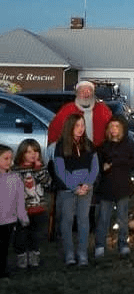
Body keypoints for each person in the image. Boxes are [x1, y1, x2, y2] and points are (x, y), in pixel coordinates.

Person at [52, 114, 99, 267]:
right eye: (77, 125)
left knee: (83, 220)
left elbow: (95, 167)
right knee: (67, 220)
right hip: (68, 189)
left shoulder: (89, 145)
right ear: (70, 127)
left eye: (82, 125)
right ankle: (69, 254)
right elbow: (60, 170)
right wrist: (74, 187)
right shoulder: (61, 146)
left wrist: (88, 184)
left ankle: (82, 253)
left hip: (86, 189)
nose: (80, 129)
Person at [95, 116, 134, 259]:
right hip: (106, 187)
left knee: (122, 218)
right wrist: (103, 167)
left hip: (122, 186)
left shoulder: (129, 144)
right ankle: (100, 246)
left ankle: (123, 245)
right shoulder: (103, 146)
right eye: (111, 126)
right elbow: (97, 165)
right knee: (103, 218)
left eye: (117, 126)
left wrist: (118, 162)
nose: (114, 129)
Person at [12, 139, 52, 270]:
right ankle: (22, 256)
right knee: (21, 235)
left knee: (36, 235)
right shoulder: (16, 170)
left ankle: (34, 255)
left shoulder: (41, 168)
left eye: (35, 151)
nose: (33, 154)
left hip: (39, 208)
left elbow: (48, 183)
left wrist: (39, 170)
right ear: (22, 153)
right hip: (22, 210)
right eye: (28, 152)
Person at [47, 81, 113, 148]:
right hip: (72, 150)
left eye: (89, 91)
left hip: (100, 150)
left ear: (93, 94)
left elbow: (113, 129)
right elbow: (54, 131)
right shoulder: (67, 110)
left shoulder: (103, 110)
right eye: (82, 91)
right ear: (77, 93)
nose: (86, 94)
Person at [0, 144, 29, 279]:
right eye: (5, 158)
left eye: (11, 158)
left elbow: (20, 200)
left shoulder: (16, 178)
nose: (9, 162)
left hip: (8, 221)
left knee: (4, 247)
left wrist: (23, 217)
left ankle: (2, 270)